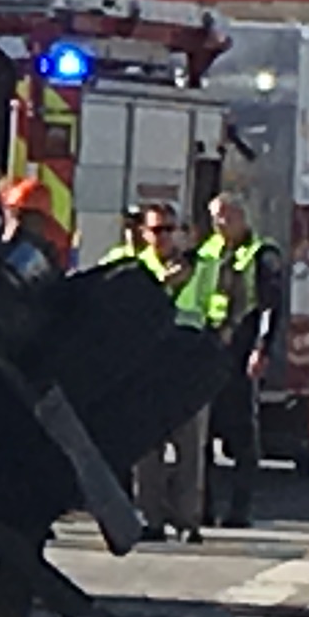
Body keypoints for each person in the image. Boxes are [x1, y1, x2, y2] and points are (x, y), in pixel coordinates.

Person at [99, 206, 210, 539]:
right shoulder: (131, 266)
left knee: (190, 448)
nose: (164, 237)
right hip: (146, 365)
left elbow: (212, 308)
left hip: (188, 363)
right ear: (144, 233)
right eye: (157, 230)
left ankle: (188, 521)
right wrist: (161, 285)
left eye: (170, 230)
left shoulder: (201, 267)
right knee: (146, 449)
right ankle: (152, 519)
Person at [176, 191, 283, 528]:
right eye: (215, 217)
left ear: (242, 216)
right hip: (207, 353)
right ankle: (203, 508)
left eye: (226, 215)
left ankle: (240, 510)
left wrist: (261, 349)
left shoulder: (262, 255)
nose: (220, 222)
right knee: (203, 438)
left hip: (241, 354)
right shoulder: (204, 253)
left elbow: (270, 307)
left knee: (242, 441)